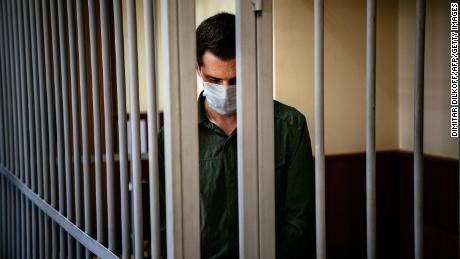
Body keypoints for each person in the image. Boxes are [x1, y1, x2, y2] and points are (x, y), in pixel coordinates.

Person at [158, 12, 316, 259]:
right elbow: (164, 223)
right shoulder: (171, 137)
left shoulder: (289, 126)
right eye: (214, 79)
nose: (225, 90)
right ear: (198, 69)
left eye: (235, 79)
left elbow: (299, 218)